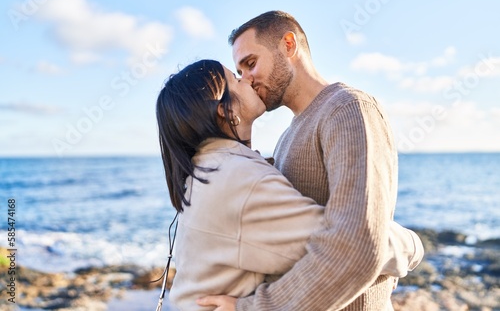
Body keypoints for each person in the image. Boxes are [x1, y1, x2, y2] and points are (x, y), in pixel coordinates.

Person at [157, 59, 423, 311]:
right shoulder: (237, 177)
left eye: (248, 67)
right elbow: (347, 243)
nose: (246, 80)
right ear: (223, 110)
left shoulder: (208, 170)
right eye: (236, 78)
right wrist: (412, 246)